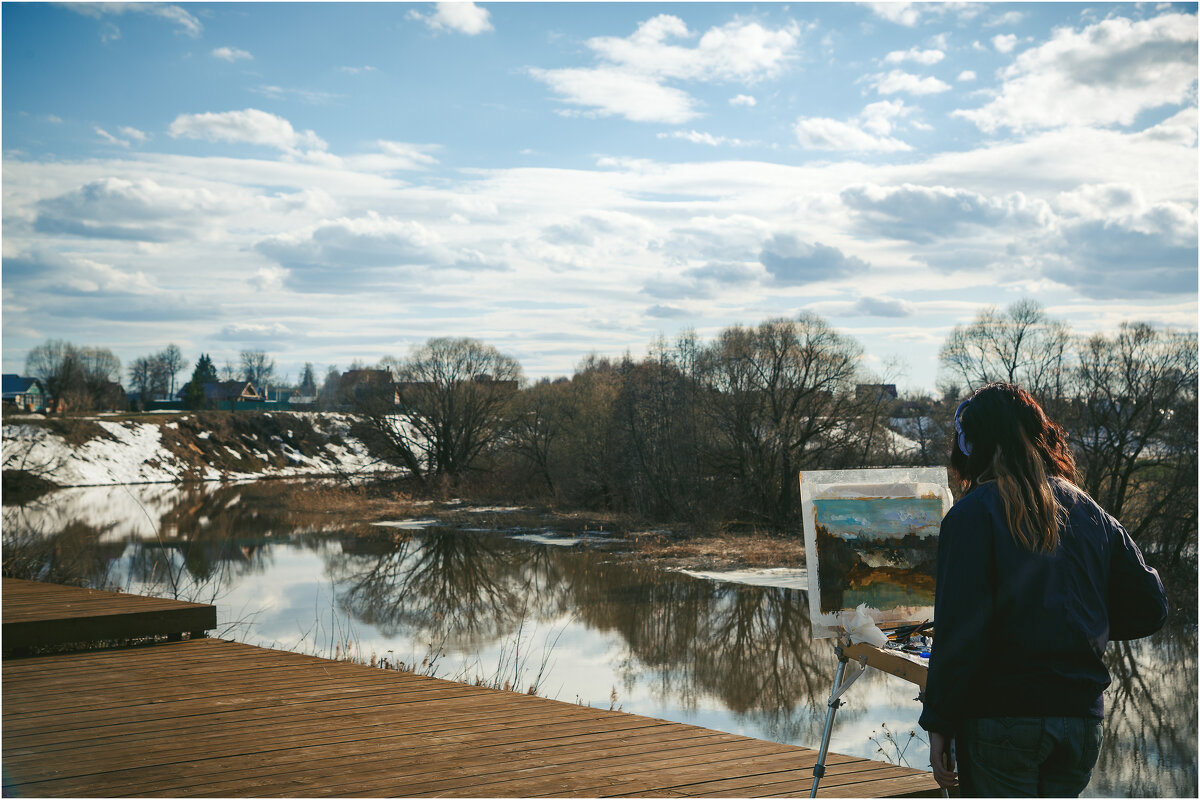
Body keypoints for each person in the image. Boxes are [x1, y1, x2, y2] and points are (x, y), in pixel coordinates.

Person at [919, 383, 1168, 797]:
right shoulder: (1090, 511)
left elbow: (958, 634)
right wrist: (1085, 626)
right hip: (1080, 724)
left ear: (971, 444)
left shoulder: (971, 514)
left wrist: (939, 723)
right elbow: (1152, 604)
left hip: (1001, 719)